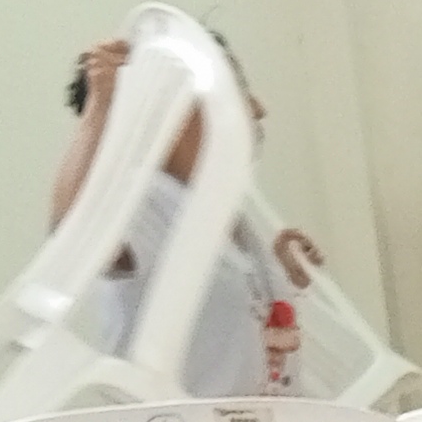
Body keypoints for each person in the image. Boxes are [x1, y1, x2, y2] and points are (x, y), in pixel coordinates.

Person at [46, 33, 325, 395]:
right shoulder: (147, 201)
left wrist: (282, 276)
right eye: (236, 89)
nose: (258, 108)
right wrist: (100, 105)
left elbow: (237, 325)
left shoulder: (219, 209)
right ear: (171, 112)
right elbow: (75, 236)